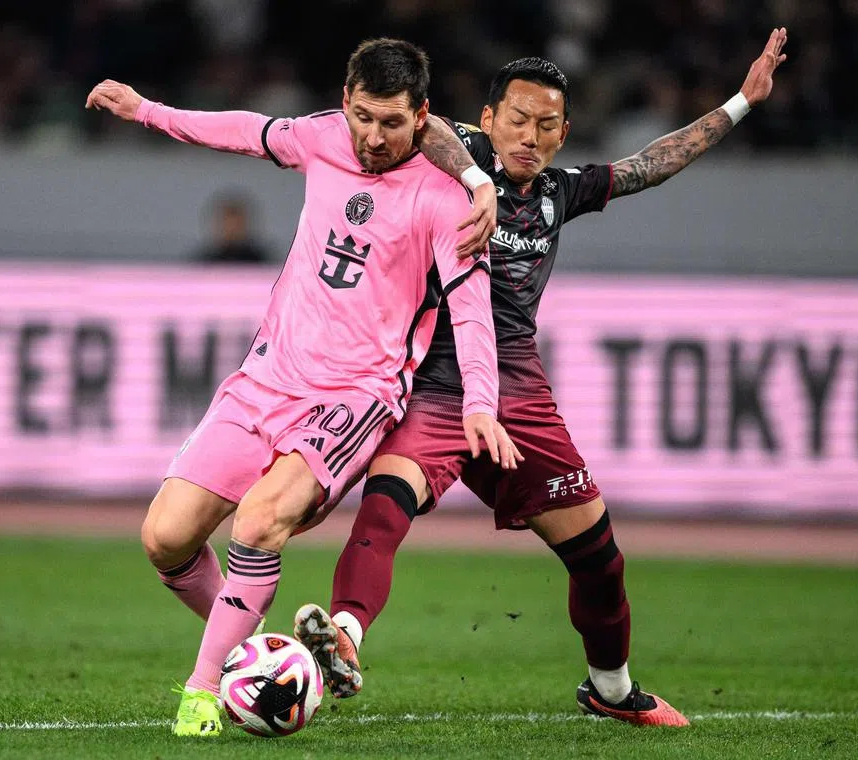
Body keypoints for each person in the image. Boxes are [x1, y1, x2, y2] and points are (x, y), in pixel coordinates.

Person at [294, 28, 789, 728]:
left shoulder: (562, 191)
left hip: (520, 398)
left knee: (599, 559)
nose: (529, 136)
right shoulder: (450, 155)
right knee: (385, 509)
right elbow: (421, 123)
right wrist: (470, 173)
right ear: (487, 120)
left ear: (564, 132)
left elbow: (653, 162)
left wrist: (743, 99)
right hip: (436, 385)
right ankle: (344, 636)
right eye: (516, 119)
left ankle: (610, 690)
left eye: (546, 124)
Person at [84, 38, 522, 738]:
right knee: (164, 538)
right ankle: (268, 659)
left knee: (258, 524)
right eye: (362, 118)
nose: (373, 138)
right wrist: (147, 111)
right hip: (264, 380)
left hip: (353, 396)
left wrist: (479, 403)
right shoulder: (322, 139)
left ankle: (203, 692)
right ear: (344, 103)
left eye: (391, 123)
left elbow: (471, 311)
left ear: (423, 118)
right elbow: (240, 131)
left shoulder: (449, 203)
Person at [188, 194, 270, 265]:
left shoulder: (262, 263)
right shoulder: (202, 263)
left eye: (237, 224)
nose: (232, 230)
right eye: (228, 224)